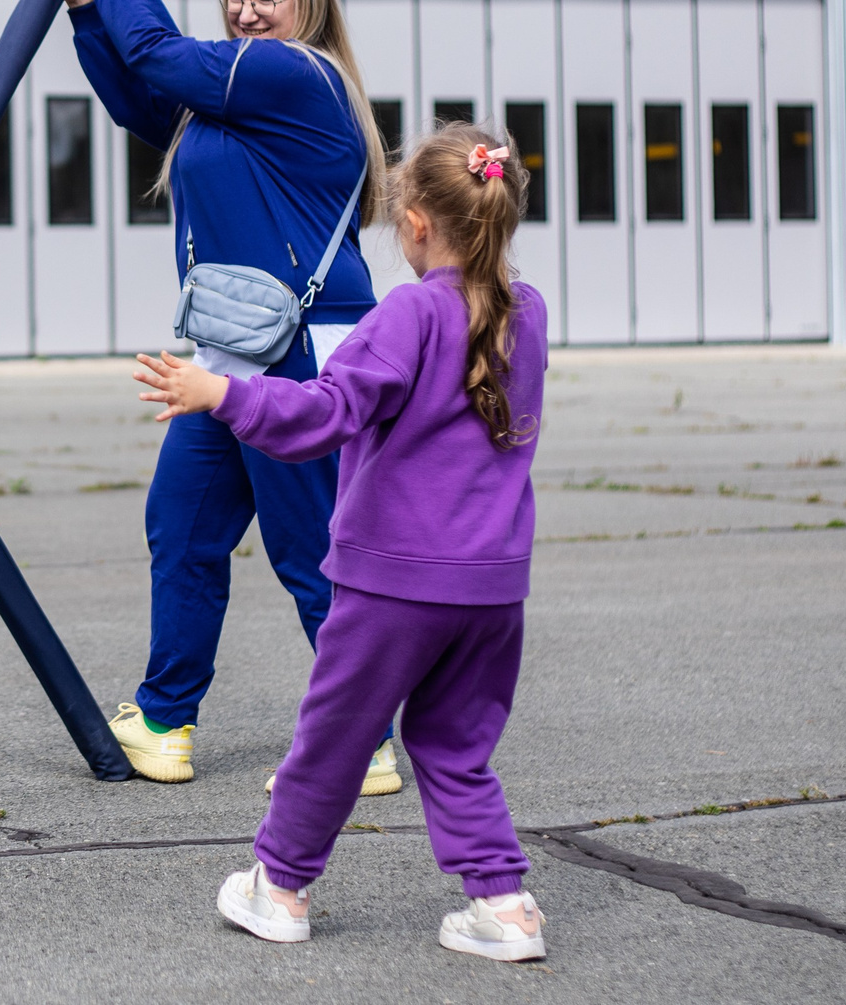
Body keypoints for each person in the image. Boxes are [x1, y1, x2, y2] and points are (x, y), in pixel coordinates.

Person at [133, 126, 548, 963]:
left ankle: (278, 886)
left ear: (418, 222)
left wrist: (223, 391)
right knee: (454, 744)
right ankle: (502, 903)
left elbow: (325, 411)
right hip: (493, 589)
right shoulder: (525, 311)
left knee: (334, 736)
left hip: (394, 582)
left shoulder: (410, 311)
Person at [45, 0, 398, 793]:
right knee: (184, 529)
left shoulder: (293, 73)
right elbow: (141, 96)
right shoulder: (234, 91)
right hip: (232, 353)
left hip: (302, 356)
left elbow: (160, 55)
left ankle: (368, 741)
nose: (245, 12)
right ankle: (165, 720)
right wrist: (89, 7)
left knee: (309, 550)